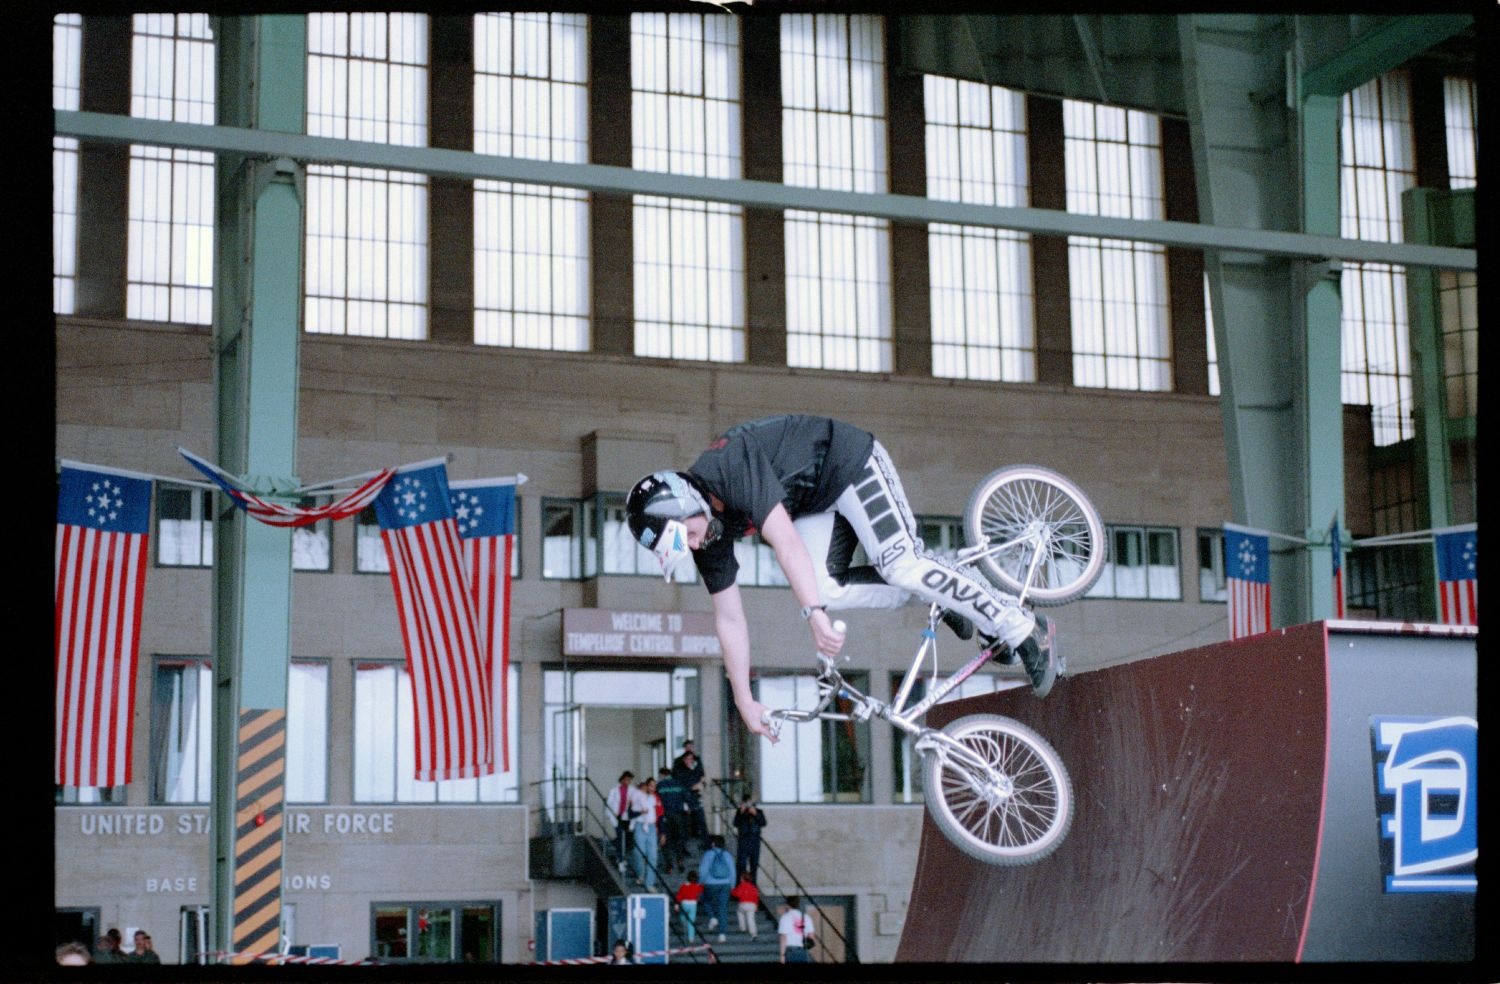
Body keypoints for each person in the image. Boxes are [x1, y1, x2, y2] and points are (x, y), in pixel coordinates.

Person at [624, 415, 1056, 740]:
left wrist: (812, 615)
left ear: (687, 504)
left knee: (900, 562)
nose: (697, 547)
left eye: (691, 537)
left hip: (851, 465)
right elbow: (730, 620)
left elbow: (788, 544)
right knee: (828, 588)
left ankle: (1021, 627)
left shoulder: (728, 467)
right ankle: (949, 593)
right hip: (816, 504)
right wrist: (744, 700)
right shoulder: (709, 536)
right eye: (687, 549)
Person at [697, 835, 736, 943]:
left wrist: (700, 882)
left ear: (713, 843)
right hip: (725, 884)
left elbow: (703, 870)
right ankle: (722, 934)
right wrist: (732, 885)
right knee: (722, 908)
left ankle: (712, 918)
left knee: (706, 900)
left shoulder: (708, 854)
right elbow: (732, 871)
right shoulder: (728, 855)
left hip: (710, 883)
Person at [670, 744, 709, 850]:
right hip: (684, 797)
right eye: (688, 759)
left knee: (701, 820)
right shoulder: (679, 768)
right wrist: (691, 788)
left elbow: (702, 777)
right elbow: (678, 783)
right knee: (684, 823)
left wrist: (701, 784)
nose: (690, 761)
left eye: (691, 759)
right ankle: (683, 846)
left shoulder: (696, 765)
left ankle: (706, 843)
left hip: (695, 797)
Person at [630, 776, 662, 888]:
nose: (653, 788)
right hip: (640, 826)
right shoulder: (638, 796)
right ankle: (640, 875)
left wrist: (661, 830)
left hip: (652, 827)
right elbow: (631, 813)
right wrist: (640, 813)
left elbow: (660, 815)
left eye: (655, 786)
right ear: (646, 786)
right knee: (639, 853)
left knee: (653, 856)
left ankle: (650, 883)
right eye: (651, 786)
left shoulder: (656, 798)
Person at [655, 766, 688, 873]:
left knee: (665, 840)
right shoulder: (678, 784)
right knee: (679, 839)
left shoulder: (659, 786)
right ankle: (680, 861)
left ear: (662, 775)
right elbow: (687, 797)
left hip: (664, 816)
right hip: (678, 815)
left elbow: (656, 801)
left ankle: (669, 865)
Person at [606, 770, 637, 872]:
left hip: (626, 816)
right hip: (617, 816)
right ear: (623, 779)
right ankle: (620, 860)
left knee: (626, 839)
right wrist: (610, 815)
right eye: (627, 779)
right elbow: (609, 803)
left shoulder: (632, 790)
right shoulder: (615, 790)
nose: (628, 782)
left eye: (630, 780)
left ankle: (620, 856)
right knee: (620, 837)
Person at [731, 794, 766, 881]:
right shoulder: (740, 812)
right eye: (745, 802)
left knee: (754, 865)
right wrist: (741, 812)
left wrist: (755, 814)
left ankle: (753, 887)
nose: (747, 804)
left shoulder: (759, 811)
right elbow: (735, 823)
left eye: (749, 802)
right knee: (741, 865)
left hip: (755, 840)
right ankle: (740, 887)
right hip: (743, 840)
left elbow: (763, 823)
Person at [777, 896, 815, 964]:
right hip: (803, 951)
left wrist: (782, 955)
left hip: (790, 951)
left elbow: (783, 937)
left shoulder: (785, 918)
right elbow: (811, 936)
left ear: (787, 905)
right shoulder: (806, 917)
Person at [673, 872, 704, 942]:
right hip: (693, 905)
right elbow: (702, 889)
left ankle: (684, 924)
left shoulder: (683, 886)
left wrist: (676, 904)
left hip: (684, 904)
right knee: (691, 921)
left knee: (683, 916)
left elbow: (679, 896)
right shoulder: (697, 886)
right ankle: (691, 938)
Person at [730, 874, 762, 940]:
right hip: (752, 905)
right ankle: (753, 933)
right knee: (751, 919)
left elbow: (737, 894)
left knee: (739, 913)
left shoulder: (741, 885)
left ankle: (743, 928)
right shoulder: (753, 887)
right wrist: (756, 905)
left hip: (743, 904)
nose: (740, 879)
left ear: (743, 879)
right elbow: (756, 896)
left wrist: (731, 891)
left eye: (741, 878)